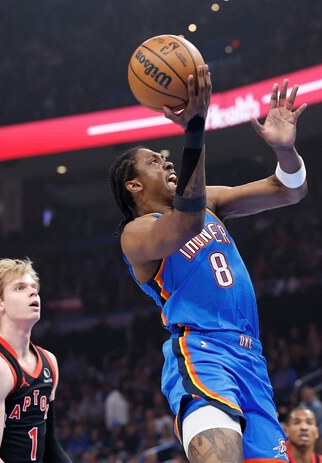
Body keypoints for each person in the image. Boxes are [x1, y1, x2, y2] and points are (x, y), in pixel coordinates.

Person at [109, 64, 308, 463]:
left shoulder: (210, 201)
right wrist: (194, 129)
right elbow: (186, 223)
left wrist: (285, 151)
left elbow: (290, 190)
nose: (167, 163)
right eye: (154, 162)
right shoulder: (136, 234)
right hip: (203, 353)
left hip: (251, 358)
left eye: (166, 159)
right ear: (134, 185)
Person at [0, 258, 71, 462]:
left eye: (34, 288)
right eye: (20, 288)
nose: (33, 292)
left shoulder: (49, 361)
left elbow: (50, 445)